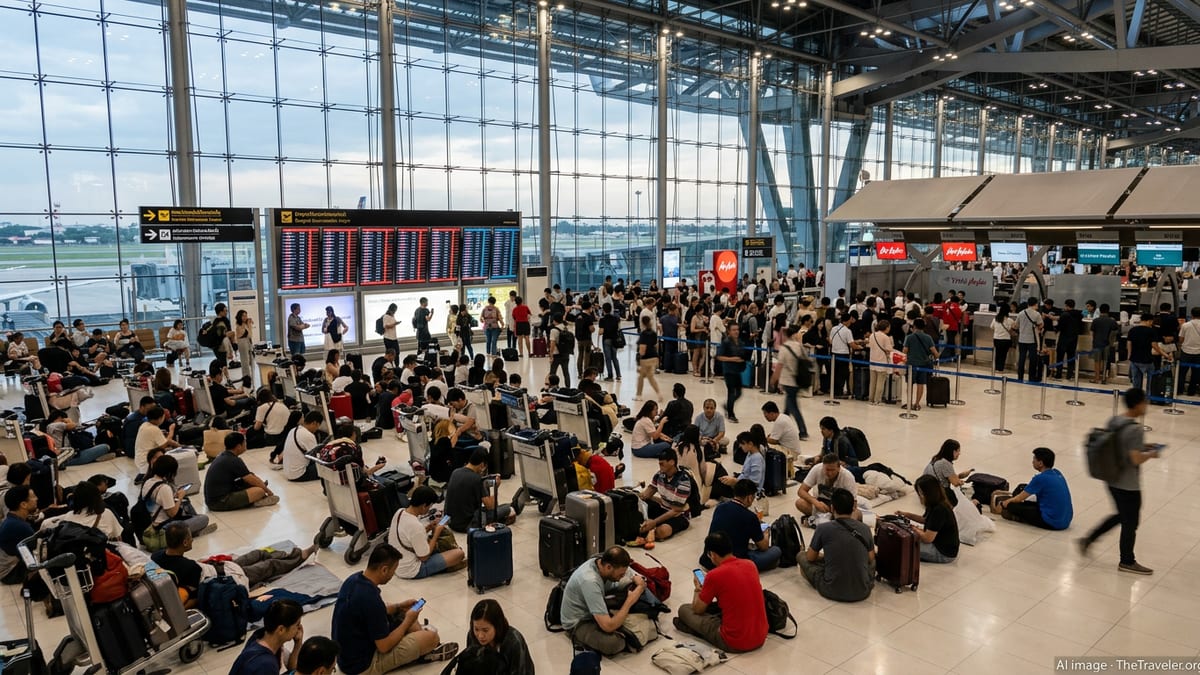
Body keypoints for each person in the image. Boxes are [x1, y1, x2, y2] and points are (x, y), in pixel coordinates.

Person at [331, 544, 458, 674]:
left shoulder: (353, 580)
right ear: (384, 570)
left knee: (401, 613)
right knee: (431, 637)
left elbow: (372, 613)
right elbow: (384, 646)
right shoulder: (370, 598)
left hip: (345, 657)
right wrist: (407, 622)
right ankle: (427, 648)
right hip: (362, 666)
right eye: (393, 570)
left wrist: (399, 606)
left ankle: (420, 640)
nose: (393, 575)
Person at [1079, 388, 1159, 575]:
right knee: (1130, 522)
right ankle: (1127, 561)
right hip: (1128, 484)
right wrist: (1151, 454)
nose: (1146, 405)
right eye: (1145, 401)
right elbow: (1134, 459)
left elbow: (1119, 444)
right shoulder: (1136, 429)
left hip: (1111, 478)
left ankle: (1089, 539)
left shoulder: (1115, 421)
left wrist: (1144, 446)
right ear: (1138, 403)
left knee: (1122, 515)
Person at [153, 522, 313, 604]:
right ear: (186, 543)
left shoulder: (157, 557)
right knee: (269, 565)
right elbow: (203, 590)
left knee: (258, 553)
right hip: (228, 577)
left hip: (220, 567)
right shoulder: (188, 568)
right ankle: (300, 556)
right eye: (190, 537)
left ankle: (292, 554)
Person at [675, 532, 767, 653]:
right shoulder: (750, 565)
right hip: (760, 636)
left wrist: (698, 588)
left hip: (734, 642)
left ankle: (695, 630)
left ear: (712, 554)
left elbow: (698, 609)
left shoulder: (714, 575)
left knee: (684, 610)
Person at [560, 546, 648, 656]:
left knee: (628, 587)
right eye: (621, 574)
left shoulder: (600, 562)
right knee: (614, 644)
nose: (622, 576)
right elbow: (608, 626)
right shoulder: (590, 581)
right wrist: (630, 601)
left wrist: (637, 578)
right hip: (578, 622)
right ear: (608, 567)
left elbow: (629, 573)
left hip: (593, 609)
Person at [799, 487, 875, 602]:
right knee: (873, 560)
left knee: (801, 556)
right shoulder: (865, 529)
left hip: (830, 589)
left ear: (832, 508)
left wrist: (824, 557)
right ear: (854, 507)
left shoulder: (823, 528)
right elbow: (870, 558)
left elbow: (810, 557)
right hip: (862, 591)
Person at [388, 486, 466, 579]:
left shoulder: (399, 512)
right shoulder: (416, 526)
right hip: (411, 570)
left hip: (395, 564)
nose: (429, 509)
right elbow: (424, 557)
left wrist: (428, 528)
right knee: (459, 554)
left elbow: (408, 535)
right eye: (429, 506)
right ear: (424, 505)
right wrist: (436, 533)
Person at [702, 478, 779, 571]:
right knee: (776, 551)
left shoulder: (720, 507)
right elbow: (763, 547)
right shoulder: (750, 517)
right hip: (733, 564)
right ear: (749, 498)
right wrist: (766, 533)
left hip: (708, 560)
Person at [993, 448, 1073, 530]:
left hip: (1052, 522)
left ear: (1041, 463)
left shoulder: (1040, 478)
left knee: (1012, 506)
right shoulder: (1057, 473)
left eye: (1034, 459)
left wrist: (1003, 504)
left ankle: (1018, 517)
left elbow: (1018, 499)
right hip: (1066, 519)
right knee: (1027, 498)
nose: (1032, 461)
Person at [140, 454, 215, 539]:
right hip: (165, 528)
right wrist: (180, 497)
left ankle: (191, 527)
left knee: (186, 506)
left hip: (152, 522)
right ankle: (192, 532)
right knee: (203, 518)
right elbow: (172, 513)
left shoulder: (148, 482)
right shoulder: (164, 488)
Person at [204, 432, 279, 511]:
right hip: (219, 502)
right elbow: (250, 479)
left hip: (212, 499)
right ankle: (257, 500)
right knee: (259, 491)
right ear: (239, 446)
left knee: (252, 479)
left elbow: (249, 476)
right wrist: (267, 491)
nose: (246, 444)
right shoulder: (233, 460)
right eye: (244, 442)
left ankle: (256, 494)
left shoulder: (224, 456)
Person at [444, 448, 514, 532]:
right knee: (507, 508)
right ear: (482, 465)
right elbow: (491, 507)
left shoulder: (455, 472)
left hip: (451, 522)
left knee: (496, 508)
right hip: (468, 524)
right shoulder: (477, 479)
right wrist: (495, 487)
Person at [229, 598, 304, 675]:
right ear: (281, 629)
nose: (299, 628)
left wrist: (298, 643)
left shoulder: (261, 637)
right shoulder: (266, 665)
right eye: (297, 625)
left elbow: (293, 669)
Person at [895, 475, 959, 564]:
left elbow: (927, 539)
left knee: (900, 545)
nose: (920, 496)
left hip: (943, 553)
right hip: (941, 546)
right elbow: (925, 520)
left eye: (921, 493)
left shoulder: (939, 510)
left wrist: (913, 529)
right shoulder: (935, 503)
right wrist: (907, 515)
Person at [464, 599, 535, 675]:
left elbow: (521, 671)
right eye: (476, 629)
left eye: (485, 630)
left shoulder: (514, 642)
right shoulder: (472, 636)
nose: (480, 636)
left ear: (497, 626)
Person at [637, 448, 692, 545]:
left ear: (671, 462)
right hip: (663, 507)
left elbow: (675, 510)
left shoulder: (683, 481)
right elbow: (648, 494)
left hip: (679, 515)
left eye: (662, 464)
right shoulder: (660, 475)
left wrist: (654, 522)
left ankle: (652, 529)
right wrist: (637, 495)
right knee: (636, 507)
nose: (660, 466)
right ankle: (650, 529)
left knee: (662, 531)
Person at [39, 481, 123, 541]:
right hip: (99, 559)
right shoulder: (106, 514)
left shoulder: (67, 517)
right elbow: (118, 539)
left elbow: (46, 524)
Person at [795, 453, 859, 520]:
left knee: (856, 514)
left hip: (839, 509)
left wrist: (839, 512)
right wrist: (815, 502)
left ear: (839, 468)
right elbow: (801, 491)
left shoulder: (847, 476)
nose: (830, 473)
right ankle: (830, 520)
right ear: (823, 466)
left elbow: (854, 503)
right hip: (822, 505)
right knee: (800, 503)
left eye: (833, 470)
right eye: (827, 470)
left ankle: (827, 519)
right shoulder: (817, 469)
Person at [43, 409, 114, 466]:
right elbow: (73, 425)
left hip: (68, 454)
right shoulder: (54, 425)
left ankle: (95, 457)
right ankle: (94, 458)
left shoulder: (50, 427)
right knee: (105, 447)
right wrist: (69, 421)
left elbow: (77, 428)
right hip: (66, 458)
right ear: (60, 418)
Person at [0, 486, 37, 585]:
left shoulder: (11, 519)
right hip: (10, 574)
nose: (37, 499)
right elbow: (36, 549)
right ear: (23, 504)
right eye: (33, 497)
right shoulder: (20, 527)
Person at [922, 439, 972, 507]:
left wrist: (958, 476)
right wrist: (962, 481)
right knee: (962, 502)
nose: (959, 453)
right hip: (938, 492)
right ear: (953, 452)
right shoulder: (945, 463)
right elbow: (956, 483)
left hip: (927, 489)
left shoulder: (936, 458)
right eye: (958, 451)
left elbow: (946, 476)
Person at [902, 318, 938, 410]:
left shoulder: (909, 337)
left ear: (914, 326)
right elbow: (935, 352)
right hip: (924, 364)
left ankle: (909, 402)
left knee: (910, 384)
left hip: (911, 364)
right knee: (920, 384)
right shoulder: (928, 337)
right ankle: (917, 404)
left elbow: (904, 351)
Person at [134, 406, 180, 479]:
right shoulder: (154, 429)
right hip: (147, 462)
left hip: (140, 459)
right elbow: (164, 445)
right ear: (160, 418)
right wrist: (171, 430)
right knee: (172, 457)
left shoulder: (144, 425)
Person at [716, 322, 747, 422]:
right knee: (731, 392)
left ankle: (727, 406)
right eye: (734, 330)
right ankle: (731, 414)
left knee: (739, 392)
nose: (736, 332)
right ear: (729, 331)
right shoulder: (726, 342)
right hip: (728, 370)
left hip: (737, 371)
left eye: (737, 329)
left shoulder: (740, 342)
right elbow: (719, 356)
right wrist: (733, 359)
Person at [280, 411, 322, 482]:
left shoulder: (293, 430)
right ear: (314, 423)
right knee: (327, 467)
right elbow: (317, 457)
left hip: (288, 471)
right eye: (318, 426)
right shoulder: (309, 435)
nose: (317, 429)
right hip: (299, 474)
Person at [1126, 314, 1162, 392]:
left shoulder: (1132, 330)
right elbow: (1154, 345)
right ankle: (1148, 395)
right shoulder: (1151, 331)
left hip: (1134, 359)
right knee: (1150, 381)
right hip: (1147, 359)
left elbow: (1129, 343)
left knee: (1136, 381)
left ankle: (1137, 396)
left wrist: (1129, 354)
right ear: (1149, 321)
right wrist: (1164, 354)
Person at [1015, 297, 1044, 383]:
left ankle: (1020, 377)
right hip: (1032, 340)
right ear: (1035, 304)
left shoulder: (1021, 313)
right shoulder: (1037, 314)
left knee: (1022, 358)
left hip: (1022, 339)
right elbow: (1041, 325)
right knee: (1032, 359)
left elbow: (1016, 325)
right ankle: (1031, 377)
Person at [866, 320, 894, 404]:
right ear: (886, 327)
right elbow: (889, 349)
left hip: (872, 360)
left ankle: (871, 398)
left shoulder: (872, 335)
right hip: (882, 361)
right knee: (880, 382)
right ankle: (877, 400)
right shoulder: (885, 337)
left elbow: (869, 345)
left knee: (873, 382)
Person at [635, 314, 661, 401]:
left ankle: (639, 395)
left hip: (646, 358)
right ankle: (658, 393)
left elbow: (642, 349)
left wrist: (639, 360)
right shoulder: (653, 333)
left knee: (641, 377)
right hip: (654, 357)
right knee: (650, 376)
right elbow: (656, 345)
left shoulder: (643, 334)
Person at [598, 302, 622, 381]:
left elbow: (601, 331)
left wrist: (599, 333)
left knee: (608, 358)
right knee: (614, 357)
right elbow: (618, 329)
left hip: (606, 339)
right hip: (615, 339)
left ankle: (610, 376)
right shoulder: (616, 318)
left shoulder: (602, 320)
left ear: (603, 310)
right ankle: (618, 375)